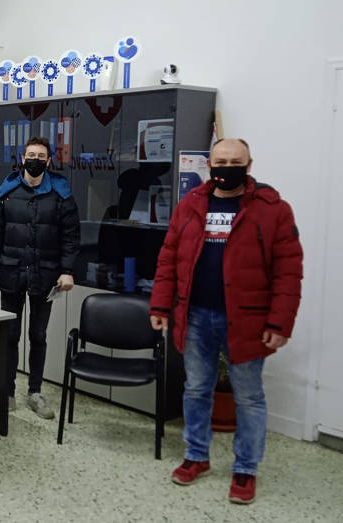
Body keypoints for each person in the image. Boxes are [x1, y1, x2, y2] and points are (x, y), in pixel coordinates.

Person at [149, 138, 303, 504]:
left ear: (249, 166)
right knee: (196, 390)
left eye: (235, 162)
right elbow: (169, 258)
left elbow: (288, 272)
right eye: (220, 161)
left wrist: (279, 323)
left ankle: (245, 469)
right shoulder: (190, 204)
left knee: (248, 397)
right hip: (195, 315)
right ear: (210, 165)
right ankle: (196, 456)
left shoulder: (273, 209)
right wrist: (160, 306)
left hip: (247, 319)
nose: (227, 168)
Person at [0, 136, 80, 418]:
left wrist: (67, 270)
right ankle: (6, 392)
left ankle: (35, 392)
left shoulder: (61, 194)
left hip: (46, 274)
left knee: (38, 335)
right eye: (31, 155)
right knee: (10, 335)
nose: (35, 160)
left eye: (41, 156)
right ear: (22, 158)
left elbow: (70, 236)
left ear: (49, 161)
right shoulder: (7, 192)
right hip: (11, 271)